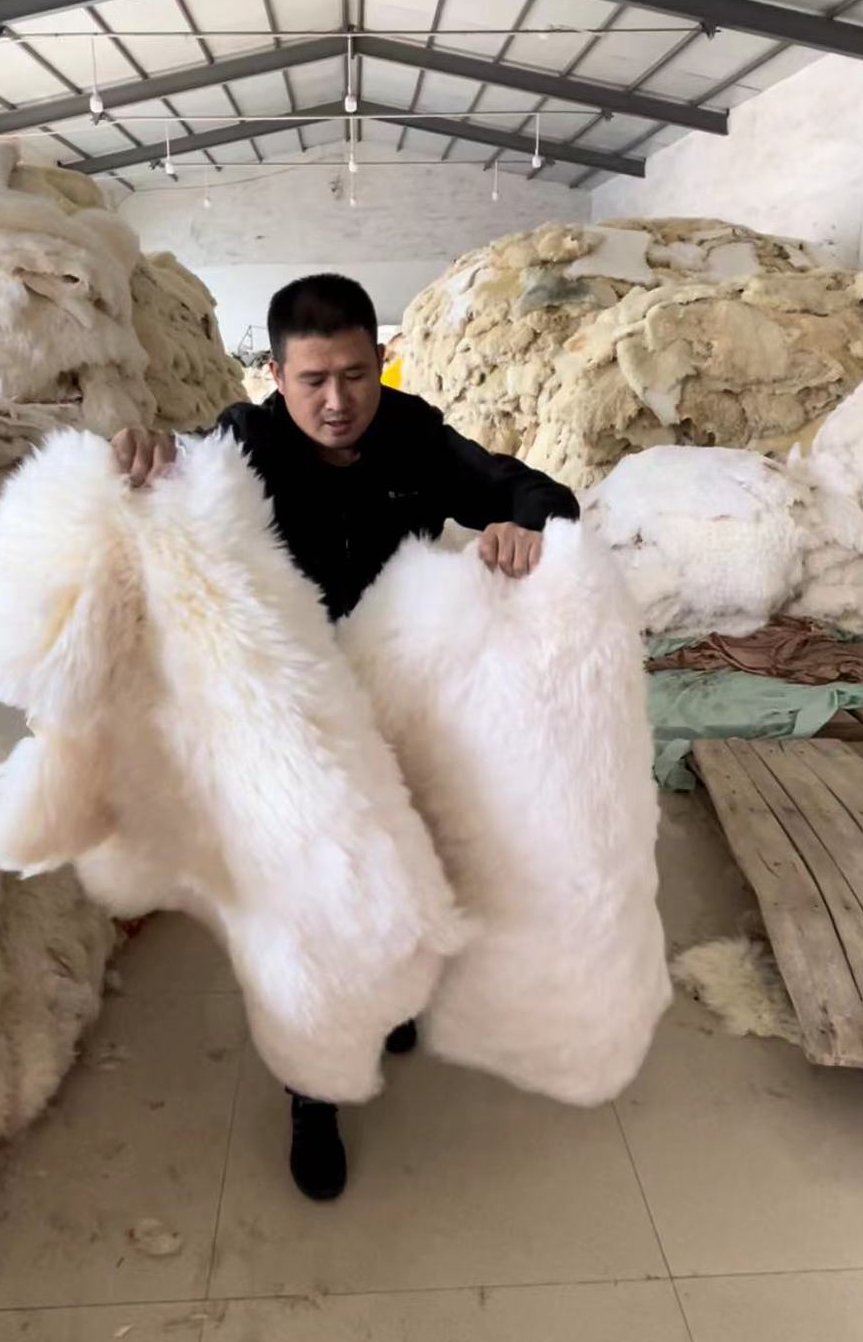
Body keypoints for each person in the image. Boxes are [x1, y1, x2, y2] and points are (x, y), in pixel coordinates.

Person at [113, 273, 579, 1201]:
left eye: (357, 375)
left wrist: (521, 528)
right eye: (314, 380)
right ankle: (313, 1091)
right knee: (307, 908)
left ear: (380, 364)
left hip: (392, 701)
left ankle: (392, 994)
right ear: (276, 377)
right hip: (286, 717)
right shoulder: (241, 446)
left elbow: (541, 492)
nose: (338, 401)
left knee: (403, 867)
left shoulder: (413, 435)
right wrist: (143, 457)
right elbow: (164, 479)